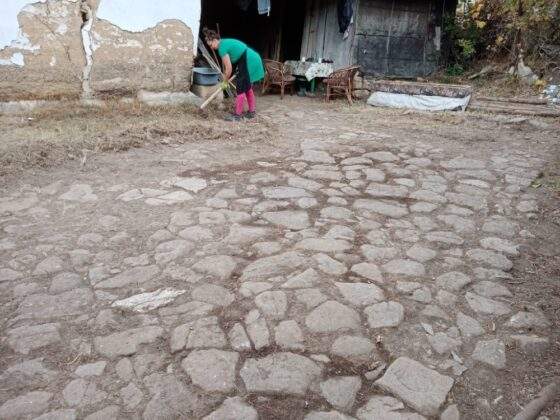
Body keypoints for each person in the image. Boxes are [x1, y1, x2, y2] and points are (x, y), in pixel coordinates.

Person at [203, 28, 265, 121]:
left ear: (215, 40)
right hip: (250, 58)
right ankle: (251, 112)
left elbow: (228, 69)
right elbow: (238, 54)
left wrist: (225, 81)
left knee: (241, 87)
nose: (211, 48)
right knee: (247, 87)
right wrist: (238, 69)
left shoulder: (222, 48)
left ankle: (237, 116)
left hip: (249, 60)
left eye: (211, 45)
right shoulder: (224, 42)